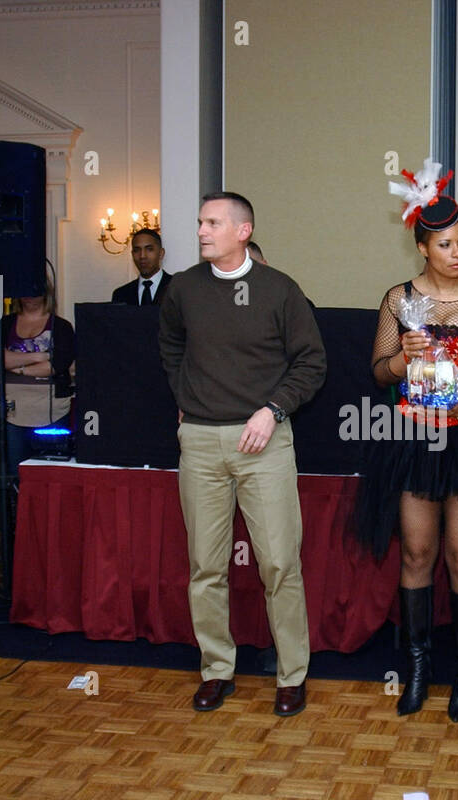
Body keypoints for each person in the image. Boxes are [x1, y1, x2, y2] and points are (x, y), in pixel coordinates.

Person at [157, 191, 325, 717]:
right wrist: (185, 398)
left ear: (243, 231)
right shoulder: (183, 289)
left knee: (279, 564)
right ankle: (216, 670)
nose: (201, 231)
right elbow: (171, 348)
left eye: (213, 223)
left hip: (264, 442)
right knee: (205, 567)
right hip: (200, 443)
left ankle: (292, 675)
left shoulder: (280, 289)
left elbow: (312, 362)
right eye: (200, 222)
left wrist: (272, 410)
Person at [360, 162, 458, 721]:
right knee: (417, 553)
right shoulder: (399, 300)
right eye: (446, 244)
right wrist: (405, 359)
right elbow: (378, 372)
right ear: (422, 248)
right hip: (416, 439)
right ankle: (418, 669)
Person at [0, 280, 75, 480]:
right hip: (11, 410)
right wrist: (39, 356)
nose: (29, 296)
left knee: (49, 473)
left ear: (46, 292)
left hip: (52, 409)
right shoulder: (4, 324)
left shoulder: (61, 327)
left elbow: (56, 365)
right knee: (13, 471)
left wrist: (17, 366)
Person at [110, 228, 171, 305]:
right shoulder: (121, 294)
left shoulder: (177, 288)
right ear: (132, 254)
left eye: (149, 249)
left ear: (161, 253)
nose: (142, 256)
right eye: (137, 250)